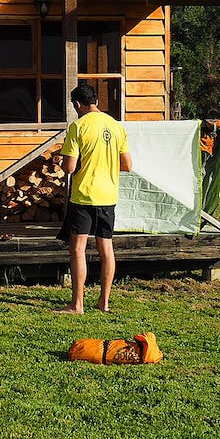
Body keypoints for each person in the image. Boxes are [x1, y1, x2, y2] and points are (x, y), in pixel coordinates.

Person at [54, 84, 132, 314]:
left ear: (77, 104)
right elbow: (127, 165)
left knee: (78, 249)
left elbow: (68, 167)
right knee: (106, 248)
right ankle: (104, 302)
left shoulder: (78, 127)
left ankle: (77, 304)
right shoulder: (115, 126)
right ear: (95, 100)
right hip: (109, 195)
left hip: (84, 195)